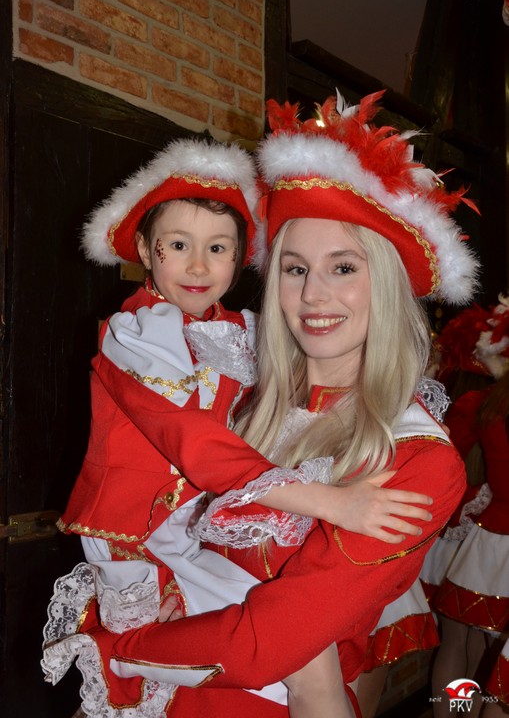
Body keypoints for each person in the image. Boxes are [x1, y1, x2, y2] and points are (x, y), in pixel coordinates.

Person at [43, 91, 478, 717]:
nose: (314, 295)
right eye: (295, 269)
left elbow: (263, 643)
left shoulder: (418, 462)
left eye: (344, 268)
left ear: (385, 283)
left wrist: (117, 651)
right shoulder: (241, 398)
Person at [431, 295, 509, 718]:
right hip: (489, 537)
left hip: (490, 540)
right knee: (490, 660)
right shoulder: (482, 402)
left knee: (464, 645)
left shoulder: (483, 403)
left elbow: (446, 461)